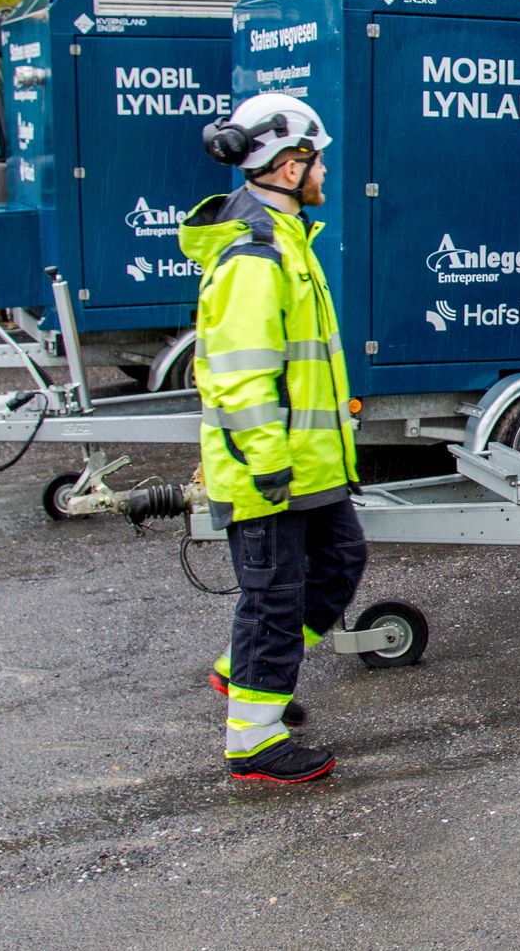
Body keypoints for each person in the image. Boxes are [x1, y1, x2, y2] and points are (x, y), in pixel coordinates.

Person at [181, 93, 366, 783]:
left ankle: (249, 676)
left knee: (340, 562)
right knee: (273, 598)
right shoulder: (255, 255)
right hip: (272, 473)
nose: (325, 171)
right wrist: (267, 466)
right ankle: (254, 741)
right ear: (291, 168)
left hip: (306, 466)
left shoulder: (287, 240)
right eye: (318, 158)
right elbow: (237, 375)